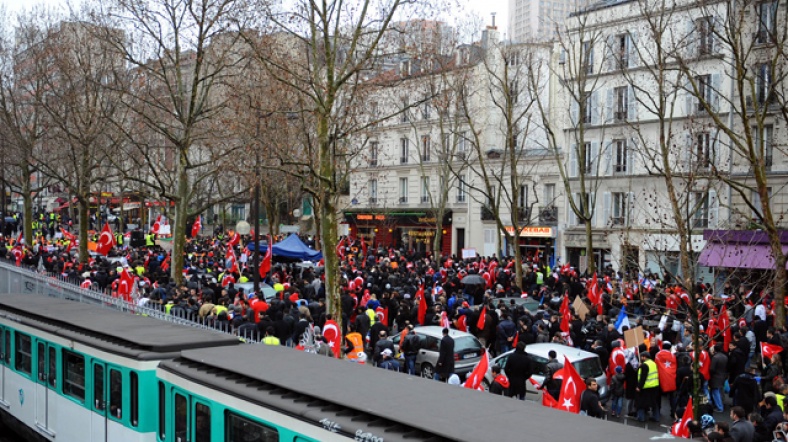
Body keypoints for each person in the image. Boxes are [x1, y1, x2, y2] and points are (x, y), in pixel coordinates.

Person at [636, 351, 661, 422]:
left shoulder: (644, 365)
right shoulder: (653, 363)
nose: (641, 358)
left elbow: (643, 377)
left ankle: (641, 417)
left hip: (646, 387)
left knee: (641, 403)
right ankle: (656, 417)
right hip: (654, 386)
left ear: (644, 357)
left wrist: (639, 387)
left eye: (641, 357)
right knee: (654, 403)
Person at [710, 344, 729, 413]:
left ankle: (719, 407)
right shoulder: (725, 357)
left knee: (715, 392)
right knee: (720, 391)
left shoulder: (715, 358)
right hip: (723, 375)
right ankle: (720, 405)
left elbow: (712, 369)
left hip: (715, 376)